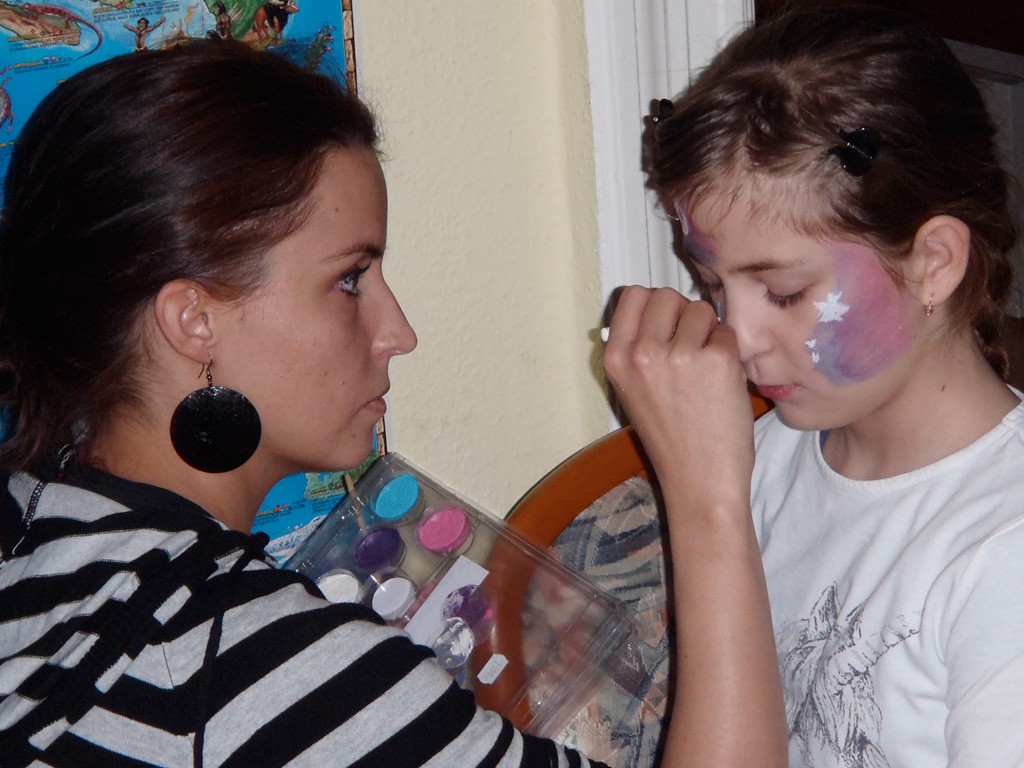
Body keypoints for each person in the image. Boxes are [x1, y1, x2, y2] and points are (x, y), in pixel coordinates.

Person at [0, 41, 608, 767]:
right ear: (195, 320)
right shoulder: (239, 661)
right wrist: (707, 500)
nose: (399, 334)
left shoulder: (29, 533)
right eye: (350, 279)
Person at [604, 5, 1024, 768]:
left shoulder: (1003, 551)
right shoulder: (761, 459)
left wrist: (707, 502)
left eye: (786, 292)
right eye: (712, 285)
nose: (736, 337)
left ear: (933, 264)